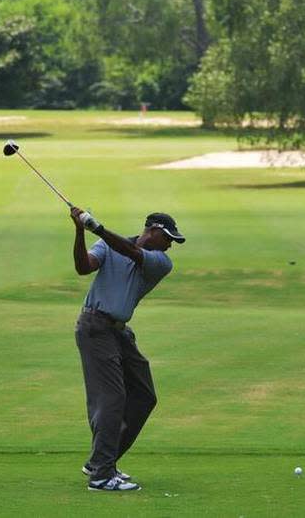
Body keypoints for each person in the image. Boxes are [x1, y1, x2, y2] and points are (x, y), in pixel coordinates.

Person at [69, 206, 185, 492]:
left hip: (118, 331)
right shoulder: (107, 244)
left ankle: (102, 461)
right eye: (168, 237)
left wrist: (98, 228)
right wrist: (80, 232)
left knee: (144, 395)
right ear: (152, 231)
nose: (170, 245)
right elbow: (84, 267)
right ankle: (101, 475)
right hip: (95, 326)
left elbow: (131, 253)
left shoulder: (160, 262)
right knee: (112, 397)